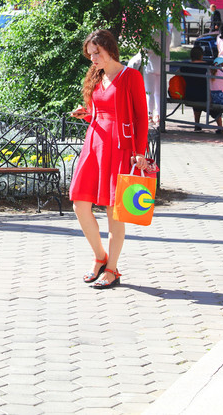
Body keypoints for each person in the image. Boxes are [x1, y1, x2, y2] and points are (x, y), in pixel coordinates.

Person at [69, 29, 150, 290]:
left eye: (97, 53)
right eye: (90, 54)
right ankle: (100, 256)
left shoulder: (130, 76)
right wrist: (88, 114)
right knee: (80, 204)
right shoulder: (96, 75)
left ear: (110, 50)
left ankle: (112, 269)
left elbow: (141, 117)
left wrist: (140, 152)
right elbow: (99, 110)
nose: (93, 59)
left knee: (115, 212)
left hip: (119, 147)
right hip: (94, 143)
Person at [178, 45, 210, 131]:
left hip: (190, 94)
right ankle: (220, 126)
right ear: (201, 56)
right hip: (205, 95)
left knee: (196, 95)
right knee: (210, 100)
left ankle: (197, 123)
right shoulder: (208, 66)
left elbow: (177, 74)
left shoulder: (186, 66)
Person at [127, 47, 162, 127]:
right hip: (161, 64)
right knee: (158, 93)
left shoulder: (151, 36)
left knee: (149, 92)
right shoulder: (168, 35)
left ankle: (149, 115)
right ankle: (158, 115)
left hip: (149, 66)